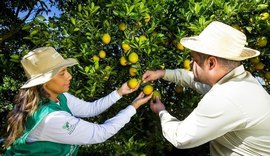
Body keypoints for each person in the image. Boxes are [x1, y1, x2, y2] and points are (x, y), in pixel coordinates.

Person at [142, 21, 270, 155]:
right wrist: (162, 73)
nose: (190, 63)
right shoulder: (240, 83)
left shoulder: (225, 97)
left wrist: (162, 112)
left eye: (194, 59)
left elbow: (180, 137)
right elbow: (194, 81)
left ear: (211, 63)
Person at [4, 47, 152, 155]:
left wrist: (119, 92)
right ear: (44, 82)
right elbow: (101, 133)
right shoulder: (50, 119)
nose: (69, 76)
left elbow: (91, 109)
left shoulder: (60, 97)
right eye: (62, 73)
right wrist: (134, 106)